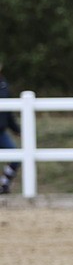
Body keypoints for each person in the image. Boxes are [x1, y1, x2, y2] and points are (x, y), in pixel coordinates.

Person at [0, 65, 20, 194]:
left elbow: (8, 111)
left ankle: (4, 184)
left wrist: (16, 129)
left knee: (16, 157)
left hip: (1, 131)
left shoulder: (3, 85)